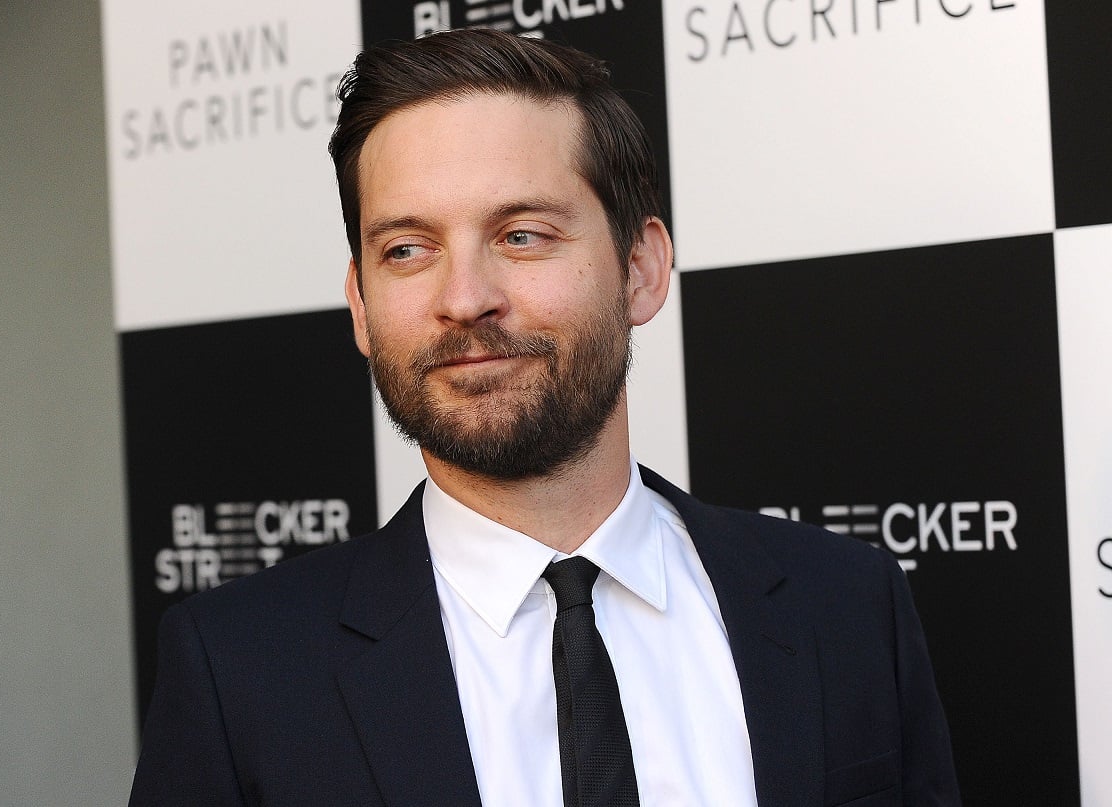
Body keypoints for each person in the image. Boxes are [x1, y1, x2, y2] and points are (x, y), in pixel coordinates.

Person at [128, 29, 961, 807]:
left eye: (522, 235)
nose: (464, 299)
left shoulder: (847, 608)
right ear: (359, 303)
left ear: (640, 268)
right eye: (407, 250)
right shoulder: (239, 673)